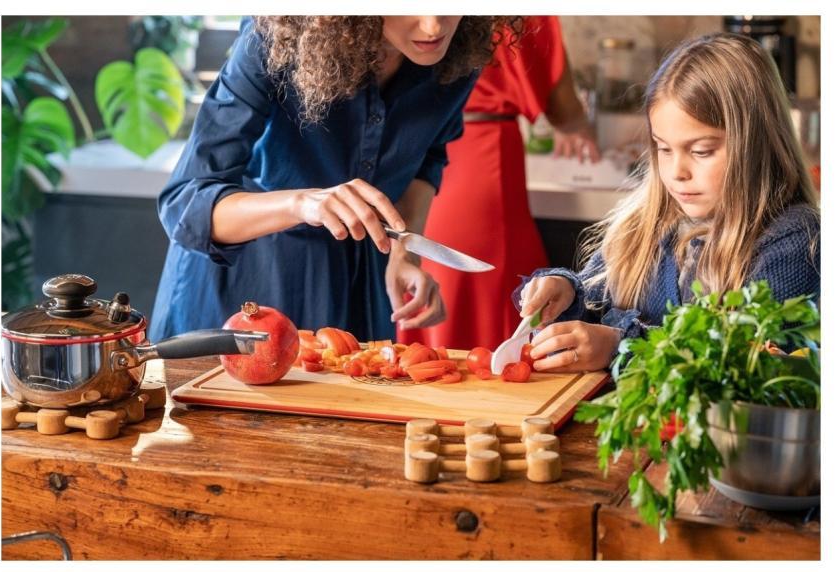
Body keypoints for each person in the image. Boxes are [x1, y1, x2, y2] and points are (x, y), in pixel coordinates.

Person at [149, 16, 519, 341]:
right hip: (240, 288)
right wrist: (302, 203)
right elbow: (185, 203)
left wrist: (403, 255)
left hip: (355, 287)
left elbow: (428, 158)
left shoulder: (457, 53)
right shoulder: (276, 35)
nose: (434, 25)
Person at [515, 32, 820, 372]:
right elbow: (593, 302)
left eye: (701, 151)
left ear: (757, 145)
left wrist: (620, 347)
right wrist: (565, 292)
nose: (676, 172)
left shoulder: (795, 241)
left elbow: (743, 365)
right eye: (663, 148)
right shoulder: (643, 226)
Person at [397, 16, 599, 351]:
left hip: (415, 153)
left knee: (433, 287)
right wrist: (579, 128)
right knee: (502, 294)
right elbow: (565, 111)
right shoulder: (522, 15)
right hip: (484, 158)